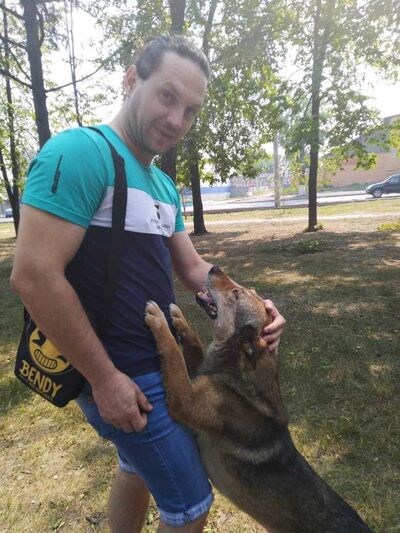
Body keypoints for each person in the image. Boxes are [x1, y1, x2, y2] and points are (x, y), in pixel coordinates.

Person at [11, 35, 285, 533]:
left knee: (135, 470)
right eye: (167, 96)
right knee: (191, 505)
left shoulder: (161, 186)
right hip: (120, 373)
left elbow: (192, 268)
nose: (177, 120)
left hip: (160, 362)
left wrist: (254, 307)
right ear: (132, 79)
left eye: (191, 110)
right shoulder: (80, 152)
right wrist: (104, 379)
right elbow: (34, 275)